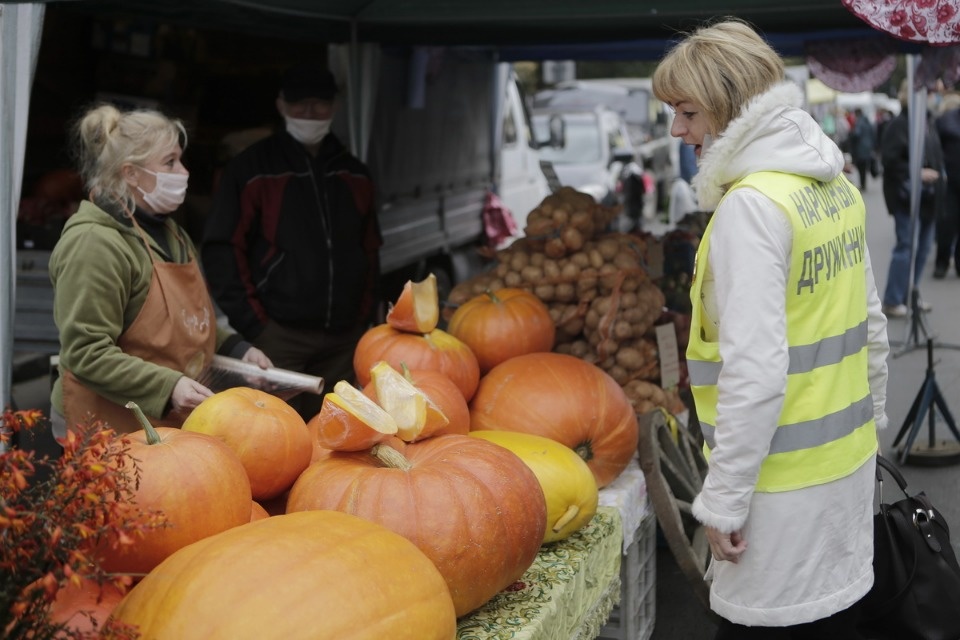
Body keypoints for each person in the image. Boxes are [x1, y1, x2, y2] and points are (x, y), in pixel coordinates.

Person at [653, 19, 889, 638]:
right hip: (843, 475)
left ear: (729, 106)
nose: (677, 130)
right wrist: (871, 432)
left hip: (778, 498)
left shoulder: (751, 207)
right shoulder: (833, 187)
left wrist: (725, 499)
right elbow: (872, 326)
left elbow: (755, 373)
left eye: (688, 112)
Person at [49, 104, 272, 439]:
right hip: (102, 425)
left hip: (164, 422)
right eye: (170, 162)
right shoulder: (94, 243)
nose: (183, 171)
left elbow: (188, 321)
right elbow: (86, 352)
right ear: (130, 173)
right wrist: (169, 386)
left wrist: (238, 349)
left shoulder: (171, 232)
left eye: (180, 159)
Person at [202, 63, 381, 421]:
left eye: (320, 103)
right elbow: (222, 249)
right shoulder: (251, 169)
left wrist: (363, 316)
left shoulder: (354, 173)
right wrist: (256, 326)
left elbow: (370, 249)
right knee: (276, 434)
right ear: (281, 105)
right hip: (279, 337)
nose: (310, 112)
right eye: (300, 103)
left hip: (345, 339)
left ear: (334, 106)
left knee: (336, 435)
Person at [879, 79, 945, 316]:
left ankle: (911, 295)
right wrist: (917, 172)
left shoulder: (927, 121)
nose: (933, 96)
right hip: (906, 197)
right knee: (907, 247)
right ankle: (894, 299)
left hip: (928, 197)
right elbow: (889, 160)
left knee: (922, 248)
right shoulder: (900, 124)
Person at [934, 93, 960, 278]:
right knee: (946, 226)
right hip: (949, 183)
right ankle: (942, 262)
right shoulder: (947, 120)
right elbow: (936, 147)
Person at [848, 108, 876, 190]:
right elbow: (873, 134)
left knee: (861, 167)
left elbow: (857, 134)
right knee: (864, 167)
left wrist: (851, 134)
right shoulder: (867, 121)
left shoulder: (859, 122)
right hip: (868, 148)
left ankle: (862, 184)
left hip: (860, 148)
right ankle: (863, 184)